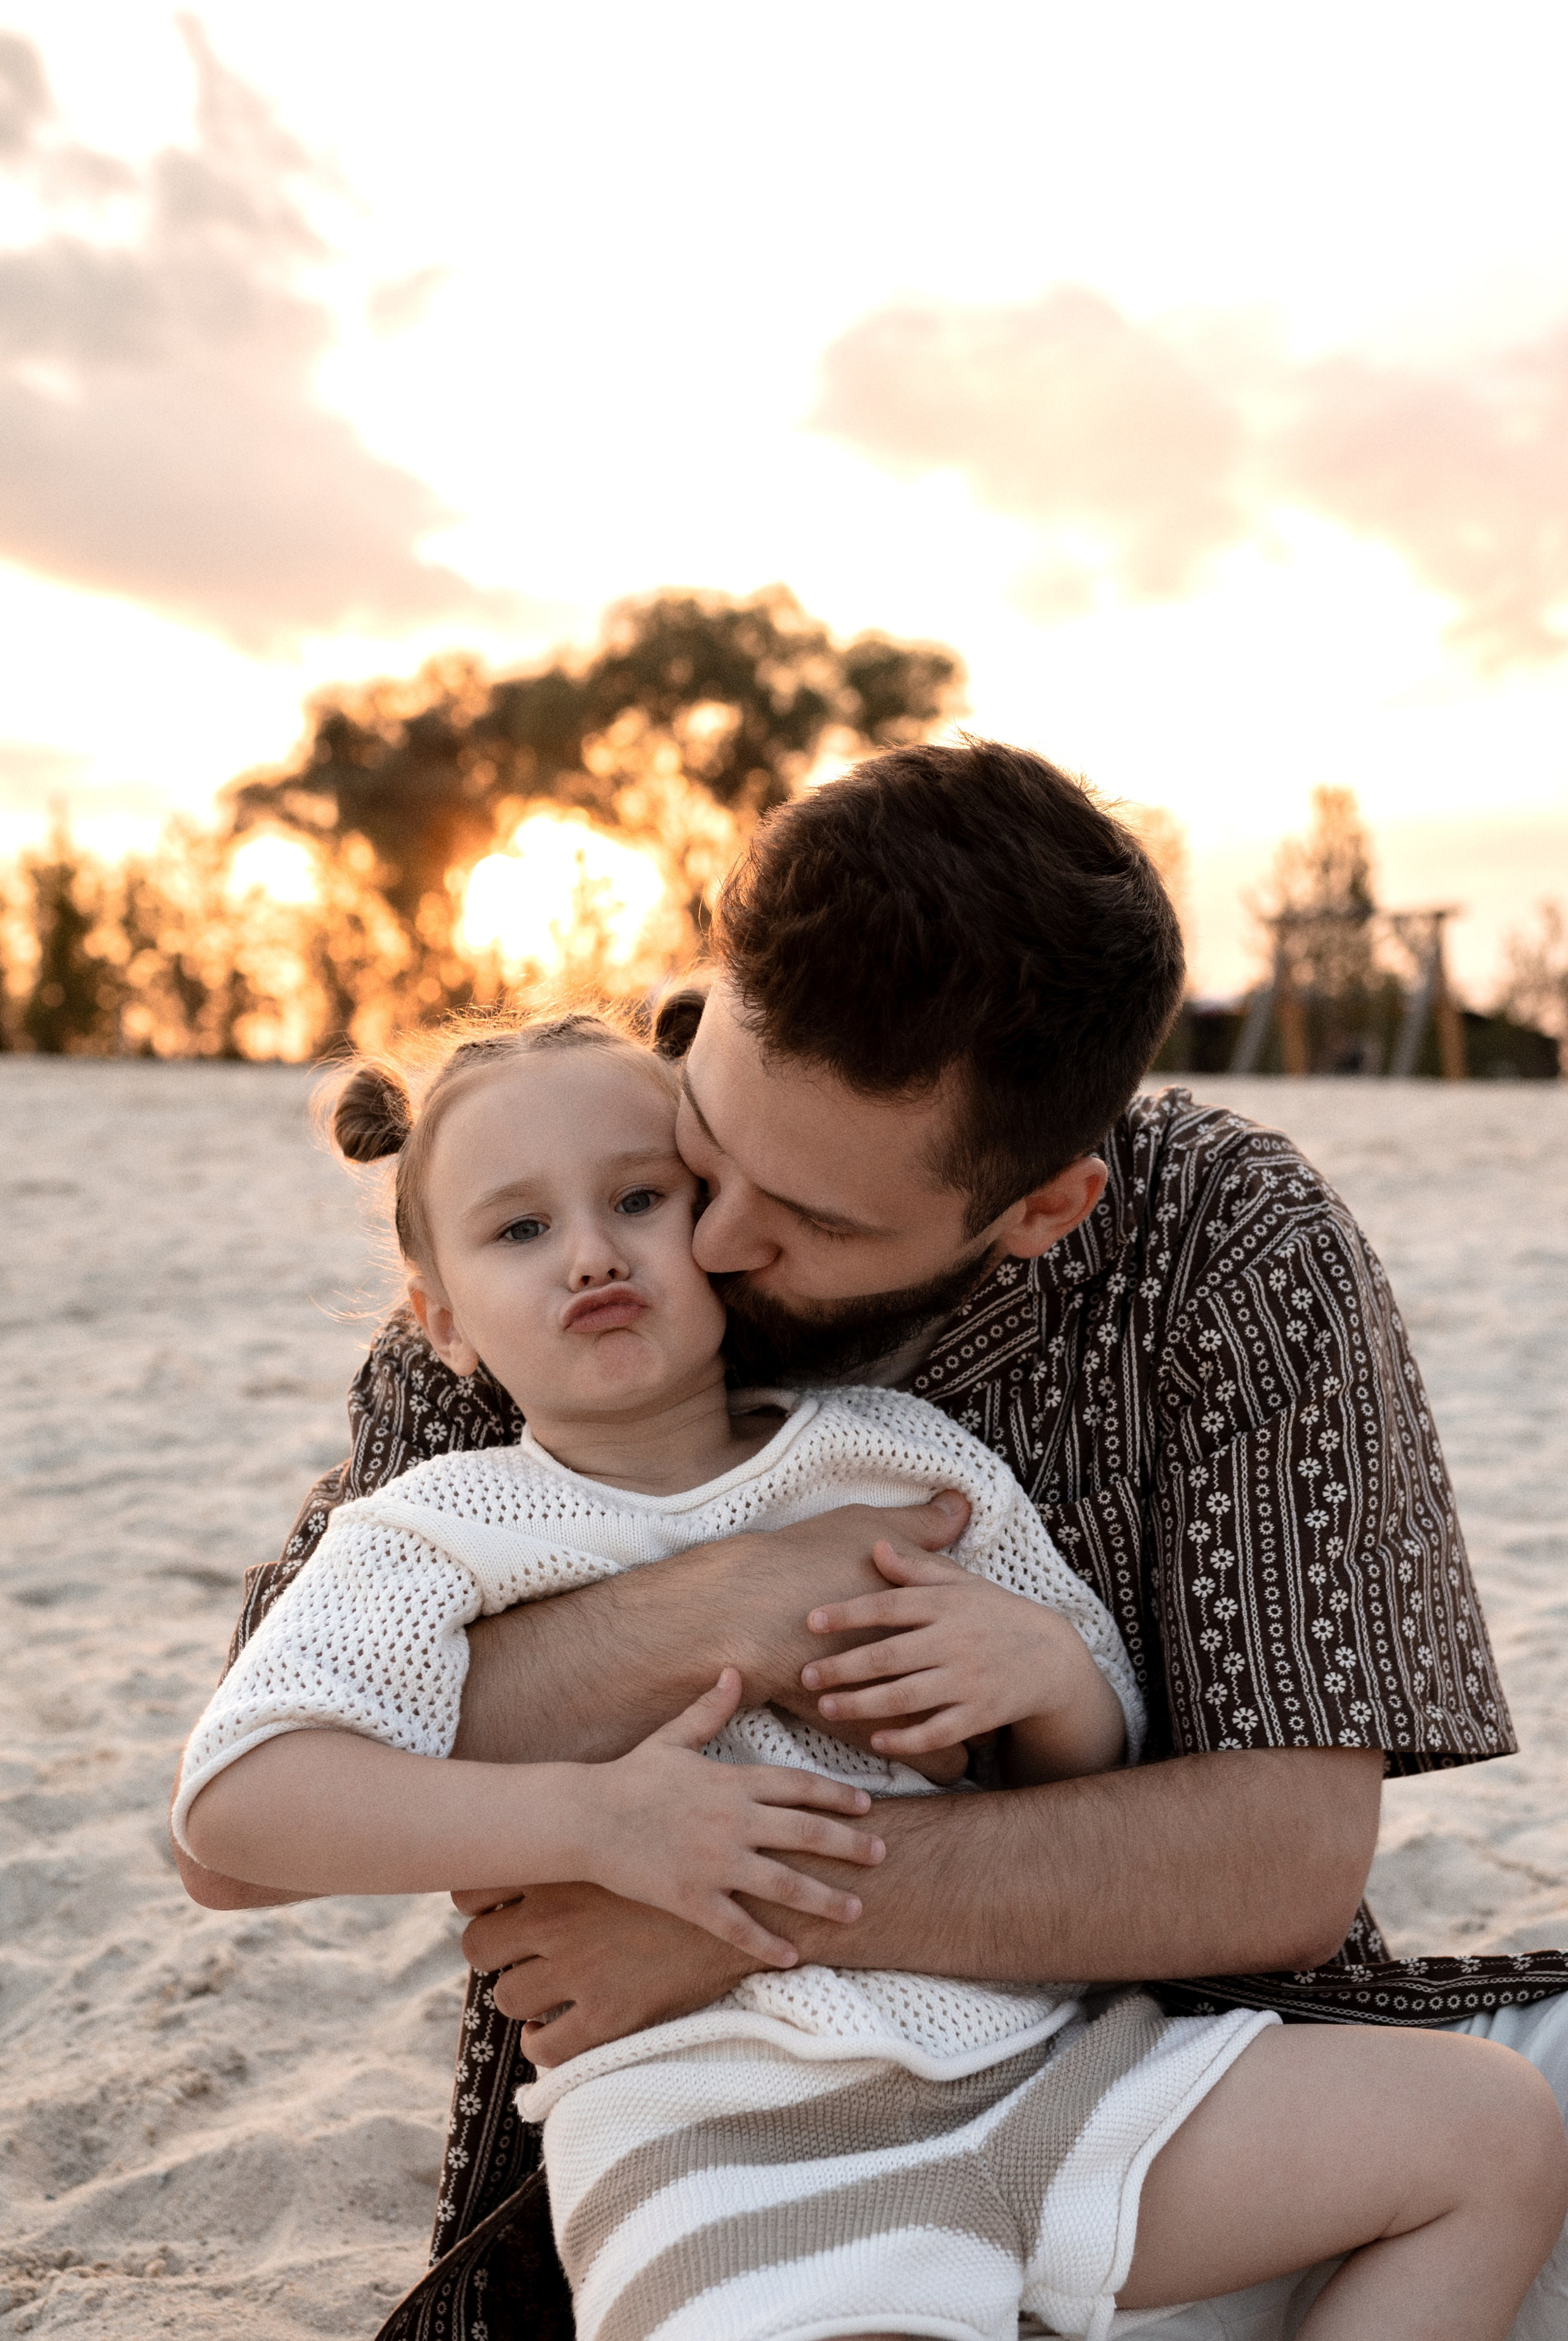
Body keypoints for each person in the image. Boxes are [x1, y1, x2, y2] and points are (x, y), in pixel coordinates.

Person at [178, 741, 1568, 2341]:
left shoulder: (1220, 1240)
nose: (700, 1236)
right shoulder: (548, 1210)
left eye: (814, 1220)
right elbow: (241, 1815)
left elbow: (1284, 1864)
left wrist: (748, 1890)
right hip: (732, 2158)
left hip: (1139, 2078)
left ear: (1044, 1208)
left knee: (1496, 2126)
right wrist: (733, 1612)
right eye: (710, 1145)